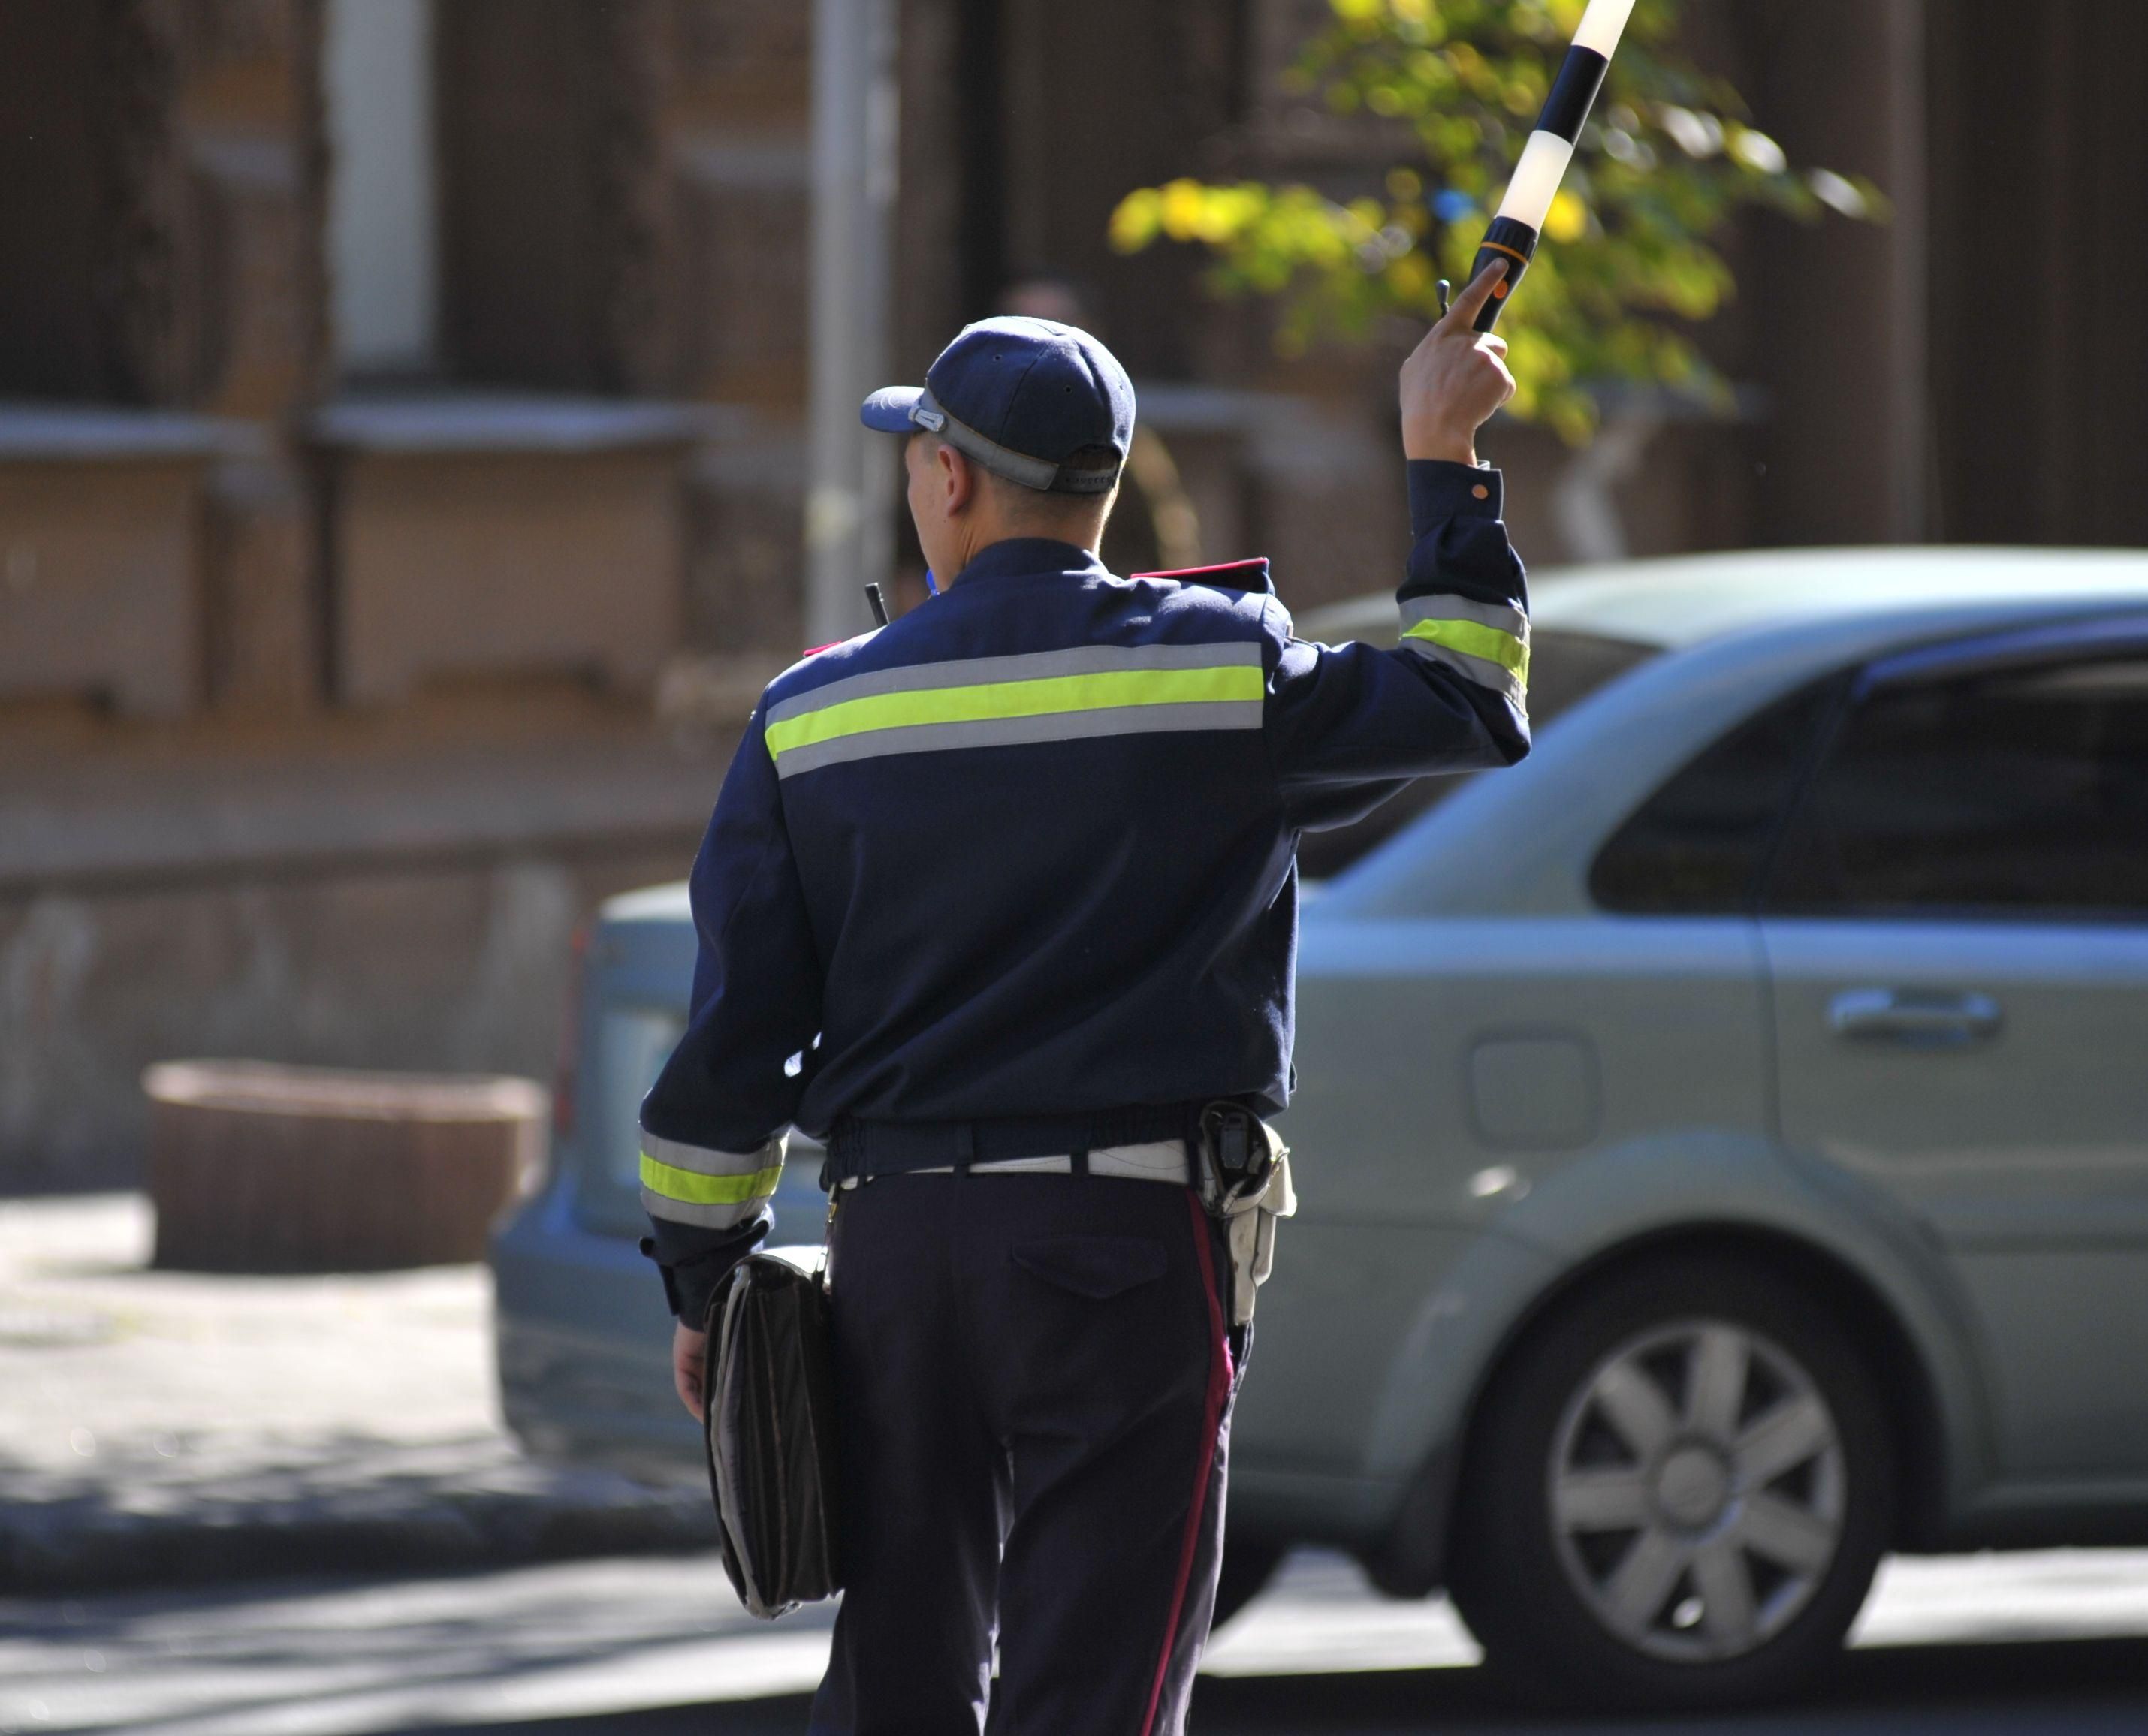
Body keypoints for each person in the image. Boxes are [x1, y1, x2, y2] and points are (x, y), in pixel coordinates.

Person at [638, 259, 1528, 1734]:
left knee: (897, 1688)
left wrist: (704, 1283)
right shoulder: (1221, 671)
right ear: (1104, 491)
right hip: (1129, 1254)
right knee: (1093, 1696)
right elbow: (1468, 691)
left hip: (898, 1265)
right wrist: (1441, 454)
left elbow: (734, 1049)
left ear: (947, 480)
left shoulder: (814, 717)